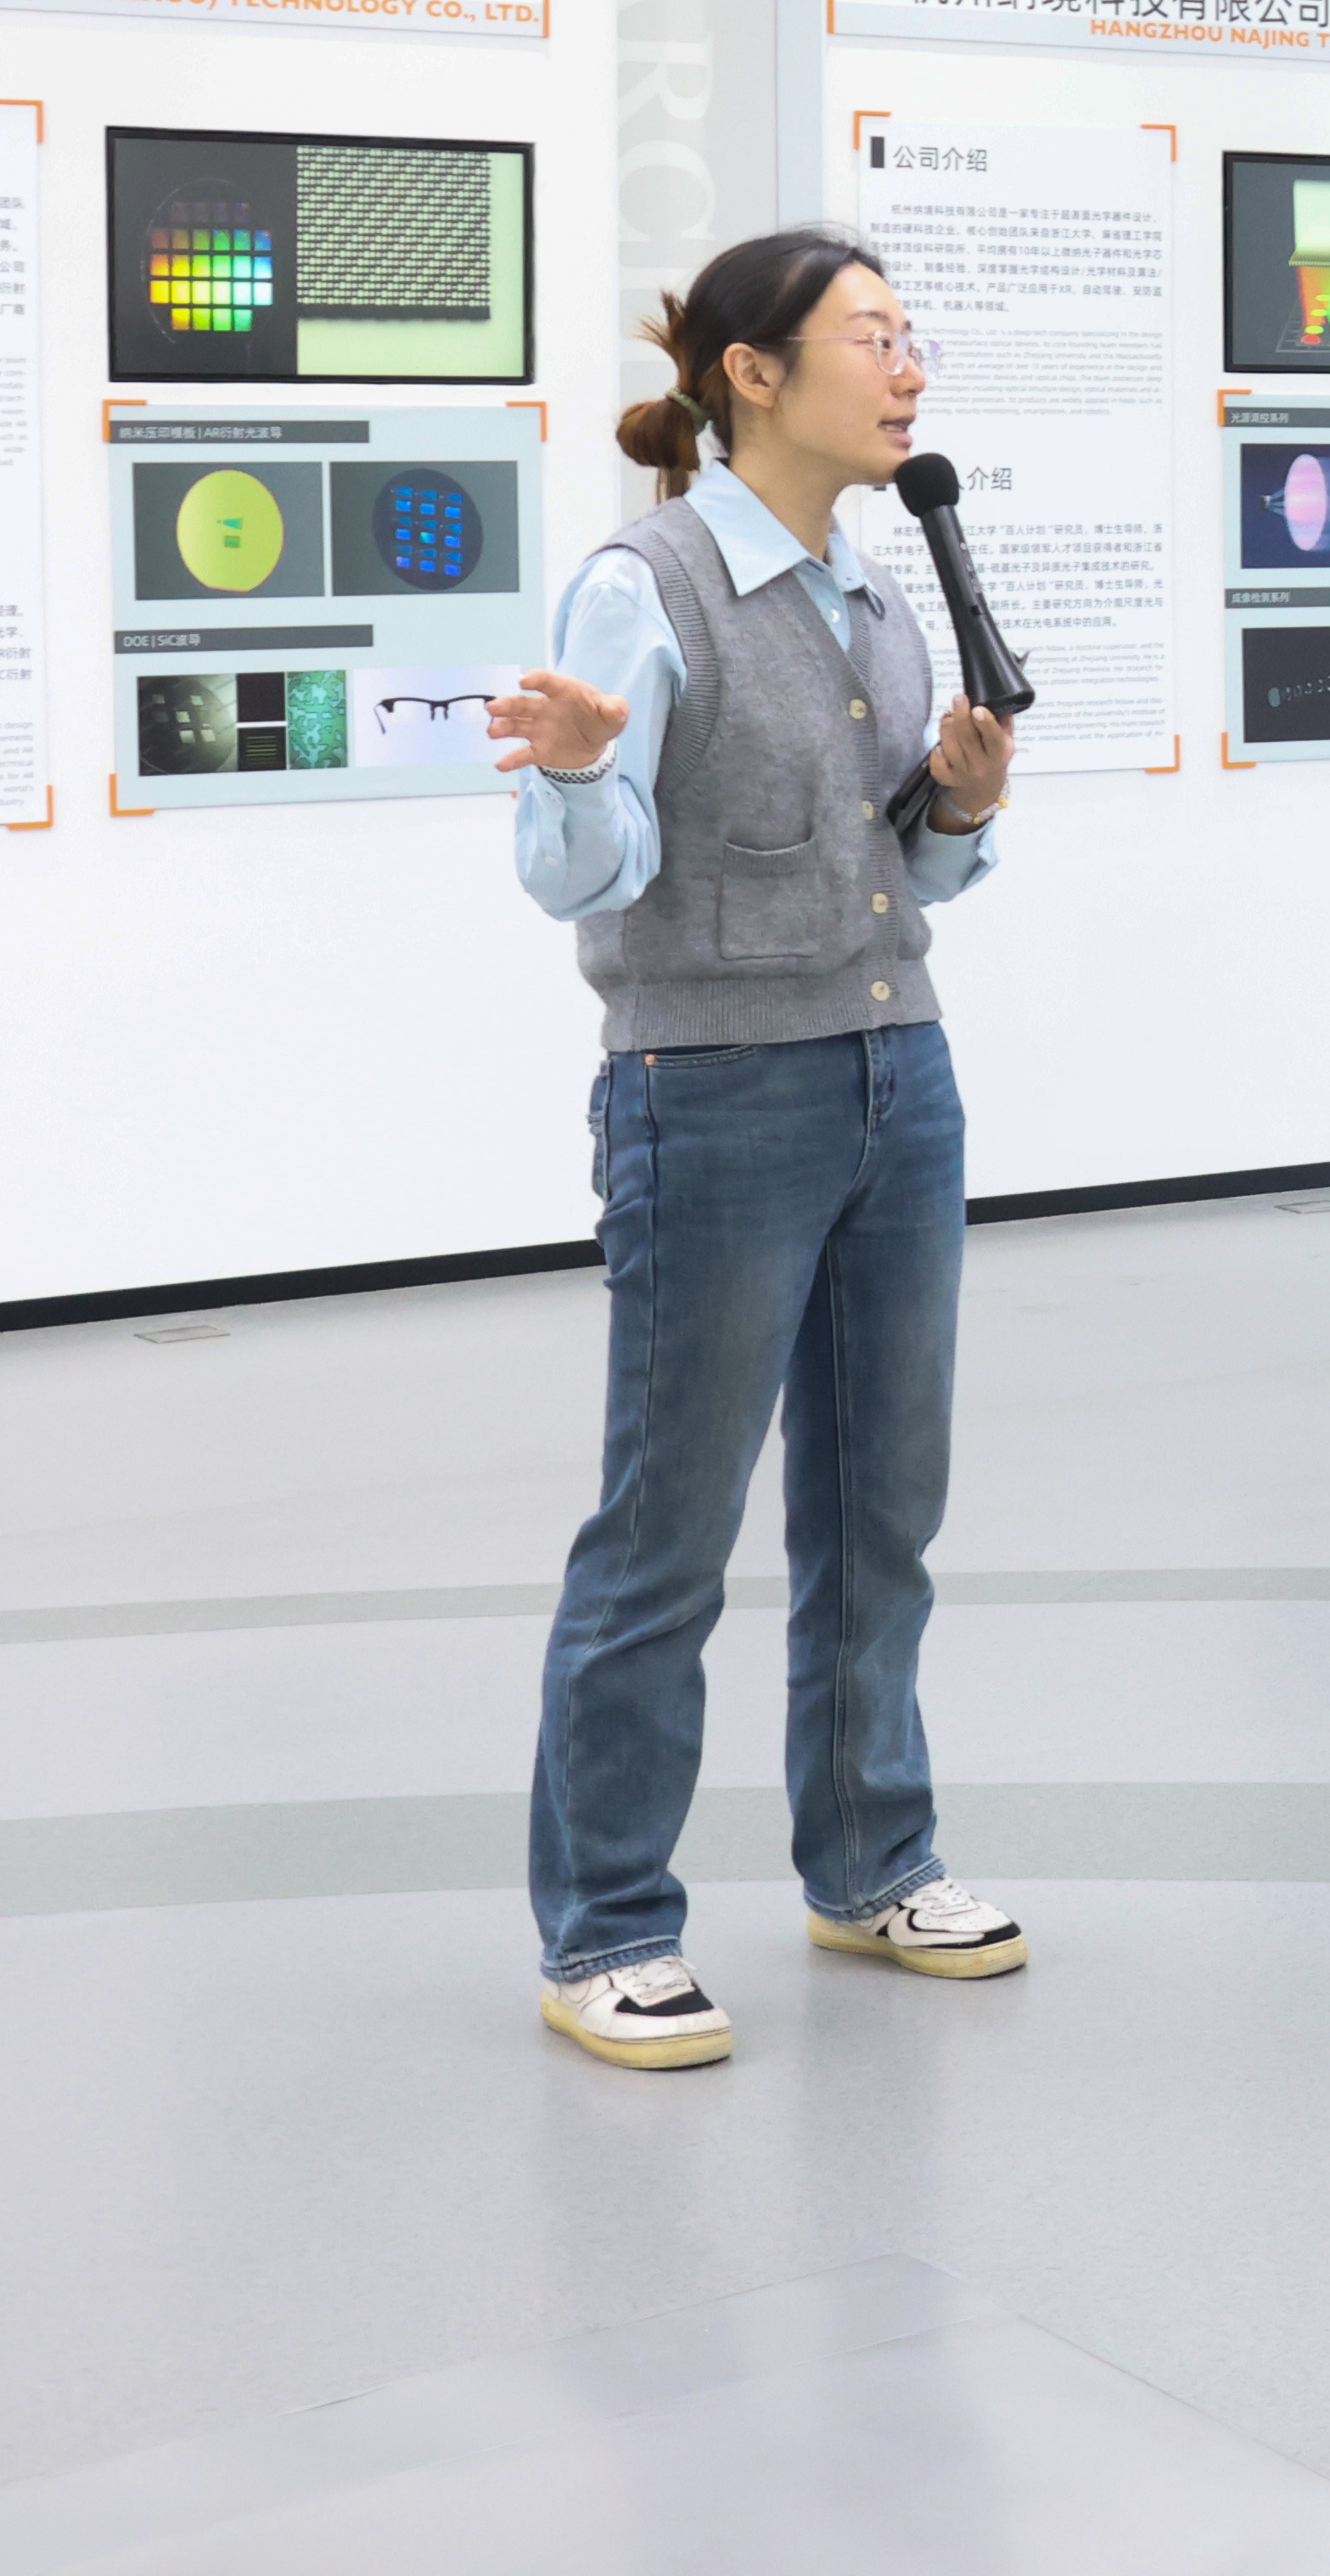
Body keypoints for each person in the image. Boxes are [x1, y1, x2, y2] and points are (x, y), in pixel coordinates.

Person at [491, 230, 1021, 2074]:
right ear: (755, 374)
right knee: (667, 1533)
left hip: (898, 1077)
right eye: (873, 336)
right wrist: (580, 768)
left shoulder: (874, 593)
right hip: (715, 1094)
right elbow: (587, 876)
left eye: (911, 335)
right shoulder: (646, 587)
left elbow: (901, 869)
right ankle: (608, 1928)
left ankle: (874, 1861)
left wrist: (956, 809)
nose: (909, 368)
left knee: (884, 1510)